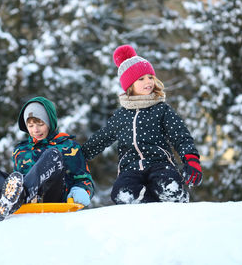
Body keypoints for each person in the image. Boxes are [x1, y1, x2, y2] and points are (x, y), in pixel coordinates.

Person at [81, 45, 202, 204]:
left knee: (168, 186)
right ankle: (142, 204)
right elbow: (101, 138)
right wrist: (79, 155)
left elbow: (180, 135)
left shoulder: (162, 109)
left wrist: (191, 158)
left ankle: (172, 199)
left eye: (150, 77)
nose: (148, 82)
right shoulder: (121, 116)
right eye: (141, 78)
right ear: (129, 85)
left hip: (160, 164)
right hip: (130, 168)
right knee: (122, 194)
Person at [0, 97, 94, 221]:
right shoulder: (21, 150)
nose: (35, 130)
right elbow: (17, 179)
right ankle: (10, 198)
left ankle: (19, 197)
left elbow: (84, 179)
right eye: (31, 125)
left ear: (50, 123)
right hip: (24, 199)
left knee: (53, 155)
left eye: (40, 124)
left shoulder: (68, 146)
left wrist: (82, 190)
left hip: (53, 196)